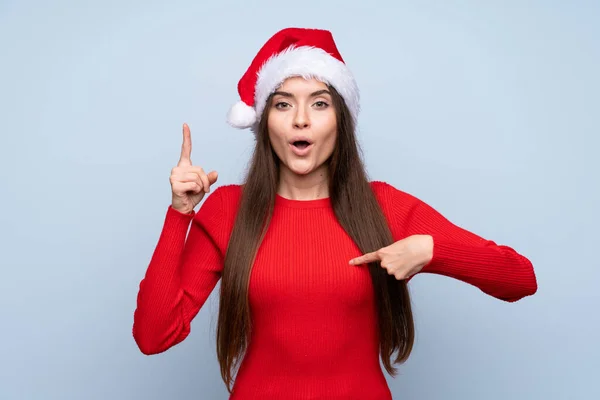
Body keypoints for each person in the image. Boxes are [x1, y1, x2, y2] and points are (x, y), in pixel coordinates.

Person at [132, 27, 538, 399]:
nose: (301, 119)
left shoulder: (384, 207)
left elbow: (520, 278)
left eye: (320, 103)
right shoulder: (228, 211)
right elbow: (153, 335)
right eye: (283, 104)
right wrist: (179, 214)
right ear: (265, 122)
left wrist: (432, 250)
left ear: (341, 121)